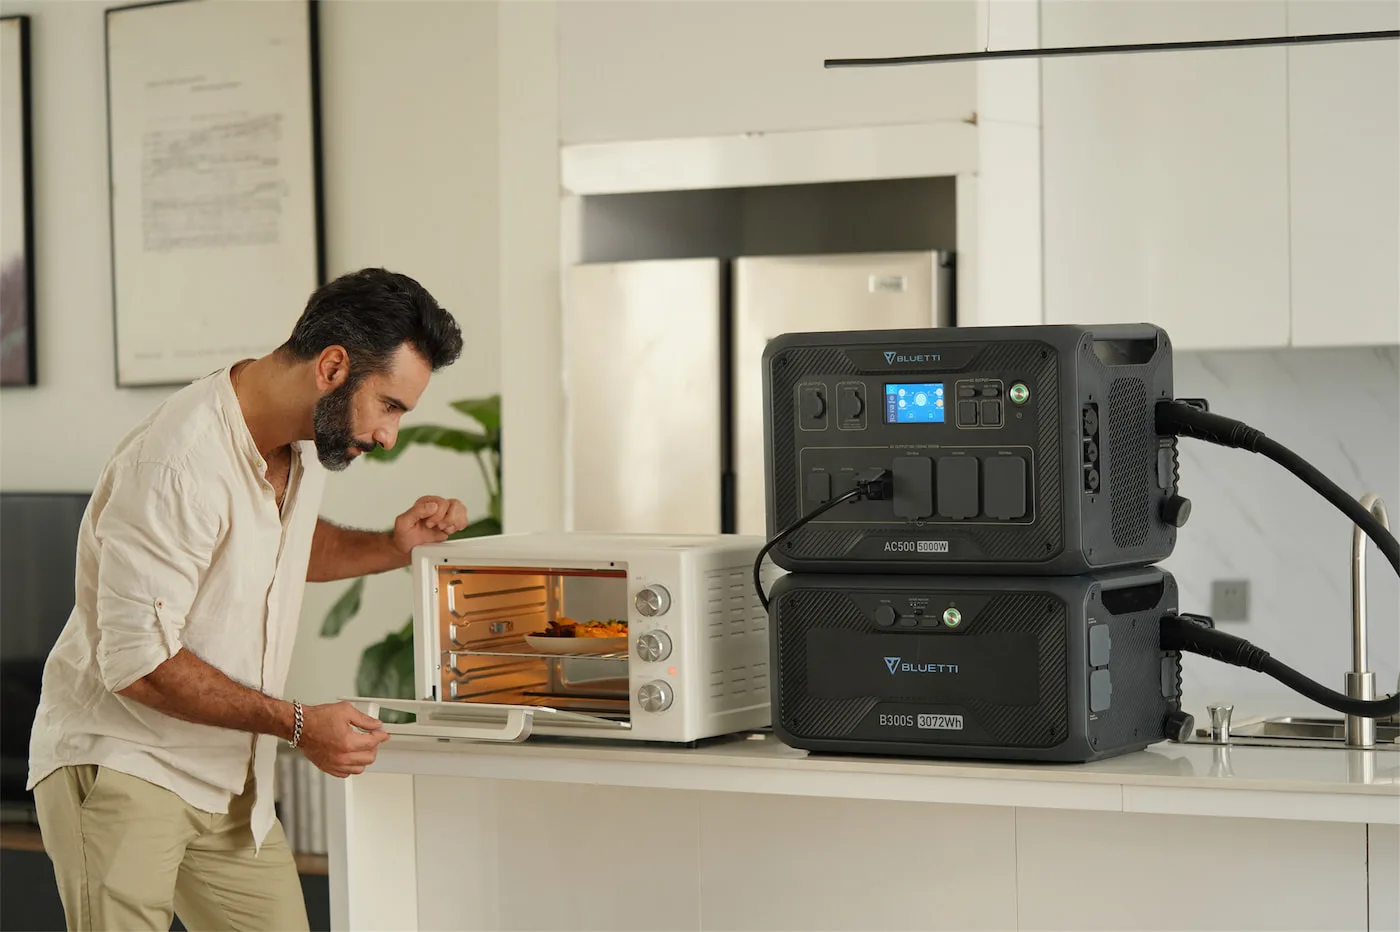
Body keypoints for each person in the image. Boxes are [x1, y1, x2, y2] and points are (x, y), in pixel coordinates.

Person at [26, 267, 468, 931]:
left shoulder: (304, 441)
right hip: (124, 763)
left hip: (229, 777)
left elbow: (279, 544)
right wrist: (300, 724)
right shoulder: (177, 464)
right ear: (333, 367)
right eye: (390, 405)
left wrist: (391, 545)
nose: (389, 435)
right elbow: (139, 664)